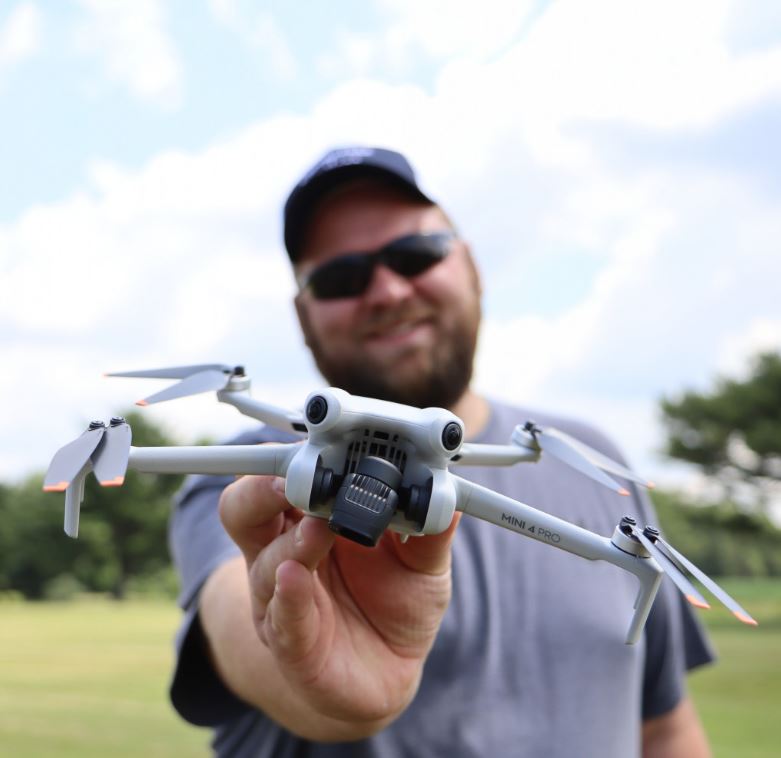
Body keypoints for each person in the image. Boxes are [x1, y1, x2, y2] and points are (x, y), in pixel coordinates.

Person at [168, 146, 714, 757]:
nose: (387, 291)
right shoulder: (243, 483)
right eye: (340, 279)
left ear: (471, 264)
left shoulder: (593, 465)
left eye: (415, 255)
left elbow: (664, 727)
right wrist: (312, 675)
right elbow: (237, 616)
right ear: (303, 315)